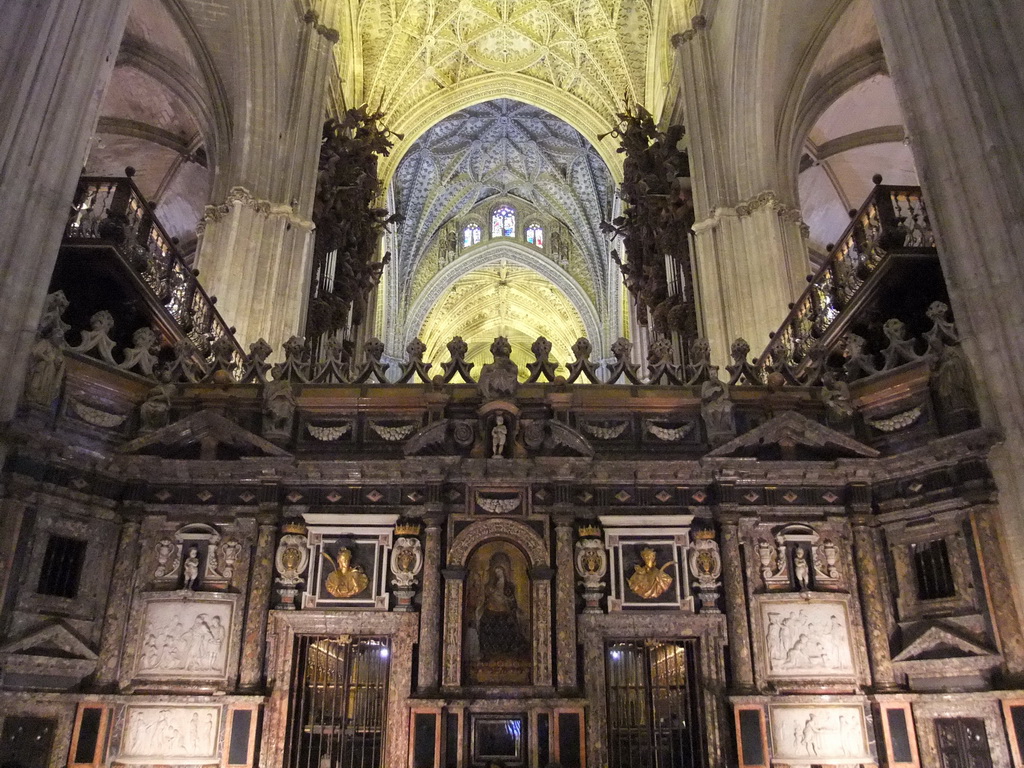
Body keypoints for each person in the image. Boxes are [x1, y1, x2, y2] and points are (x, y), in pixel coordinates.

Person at [475, 552, 528, 661]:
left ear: (504, 572)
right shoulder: (489, 585)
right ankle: (488, 653)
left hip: (504, 612)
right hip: (491, 610)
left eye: (500, 571)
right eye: (496, 571)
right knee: (485, 624)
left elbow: (513, 601)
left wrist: (507, 600)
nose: (498, 573)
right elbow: (485, 599)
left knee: (511, 627)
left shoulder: (509, 586)